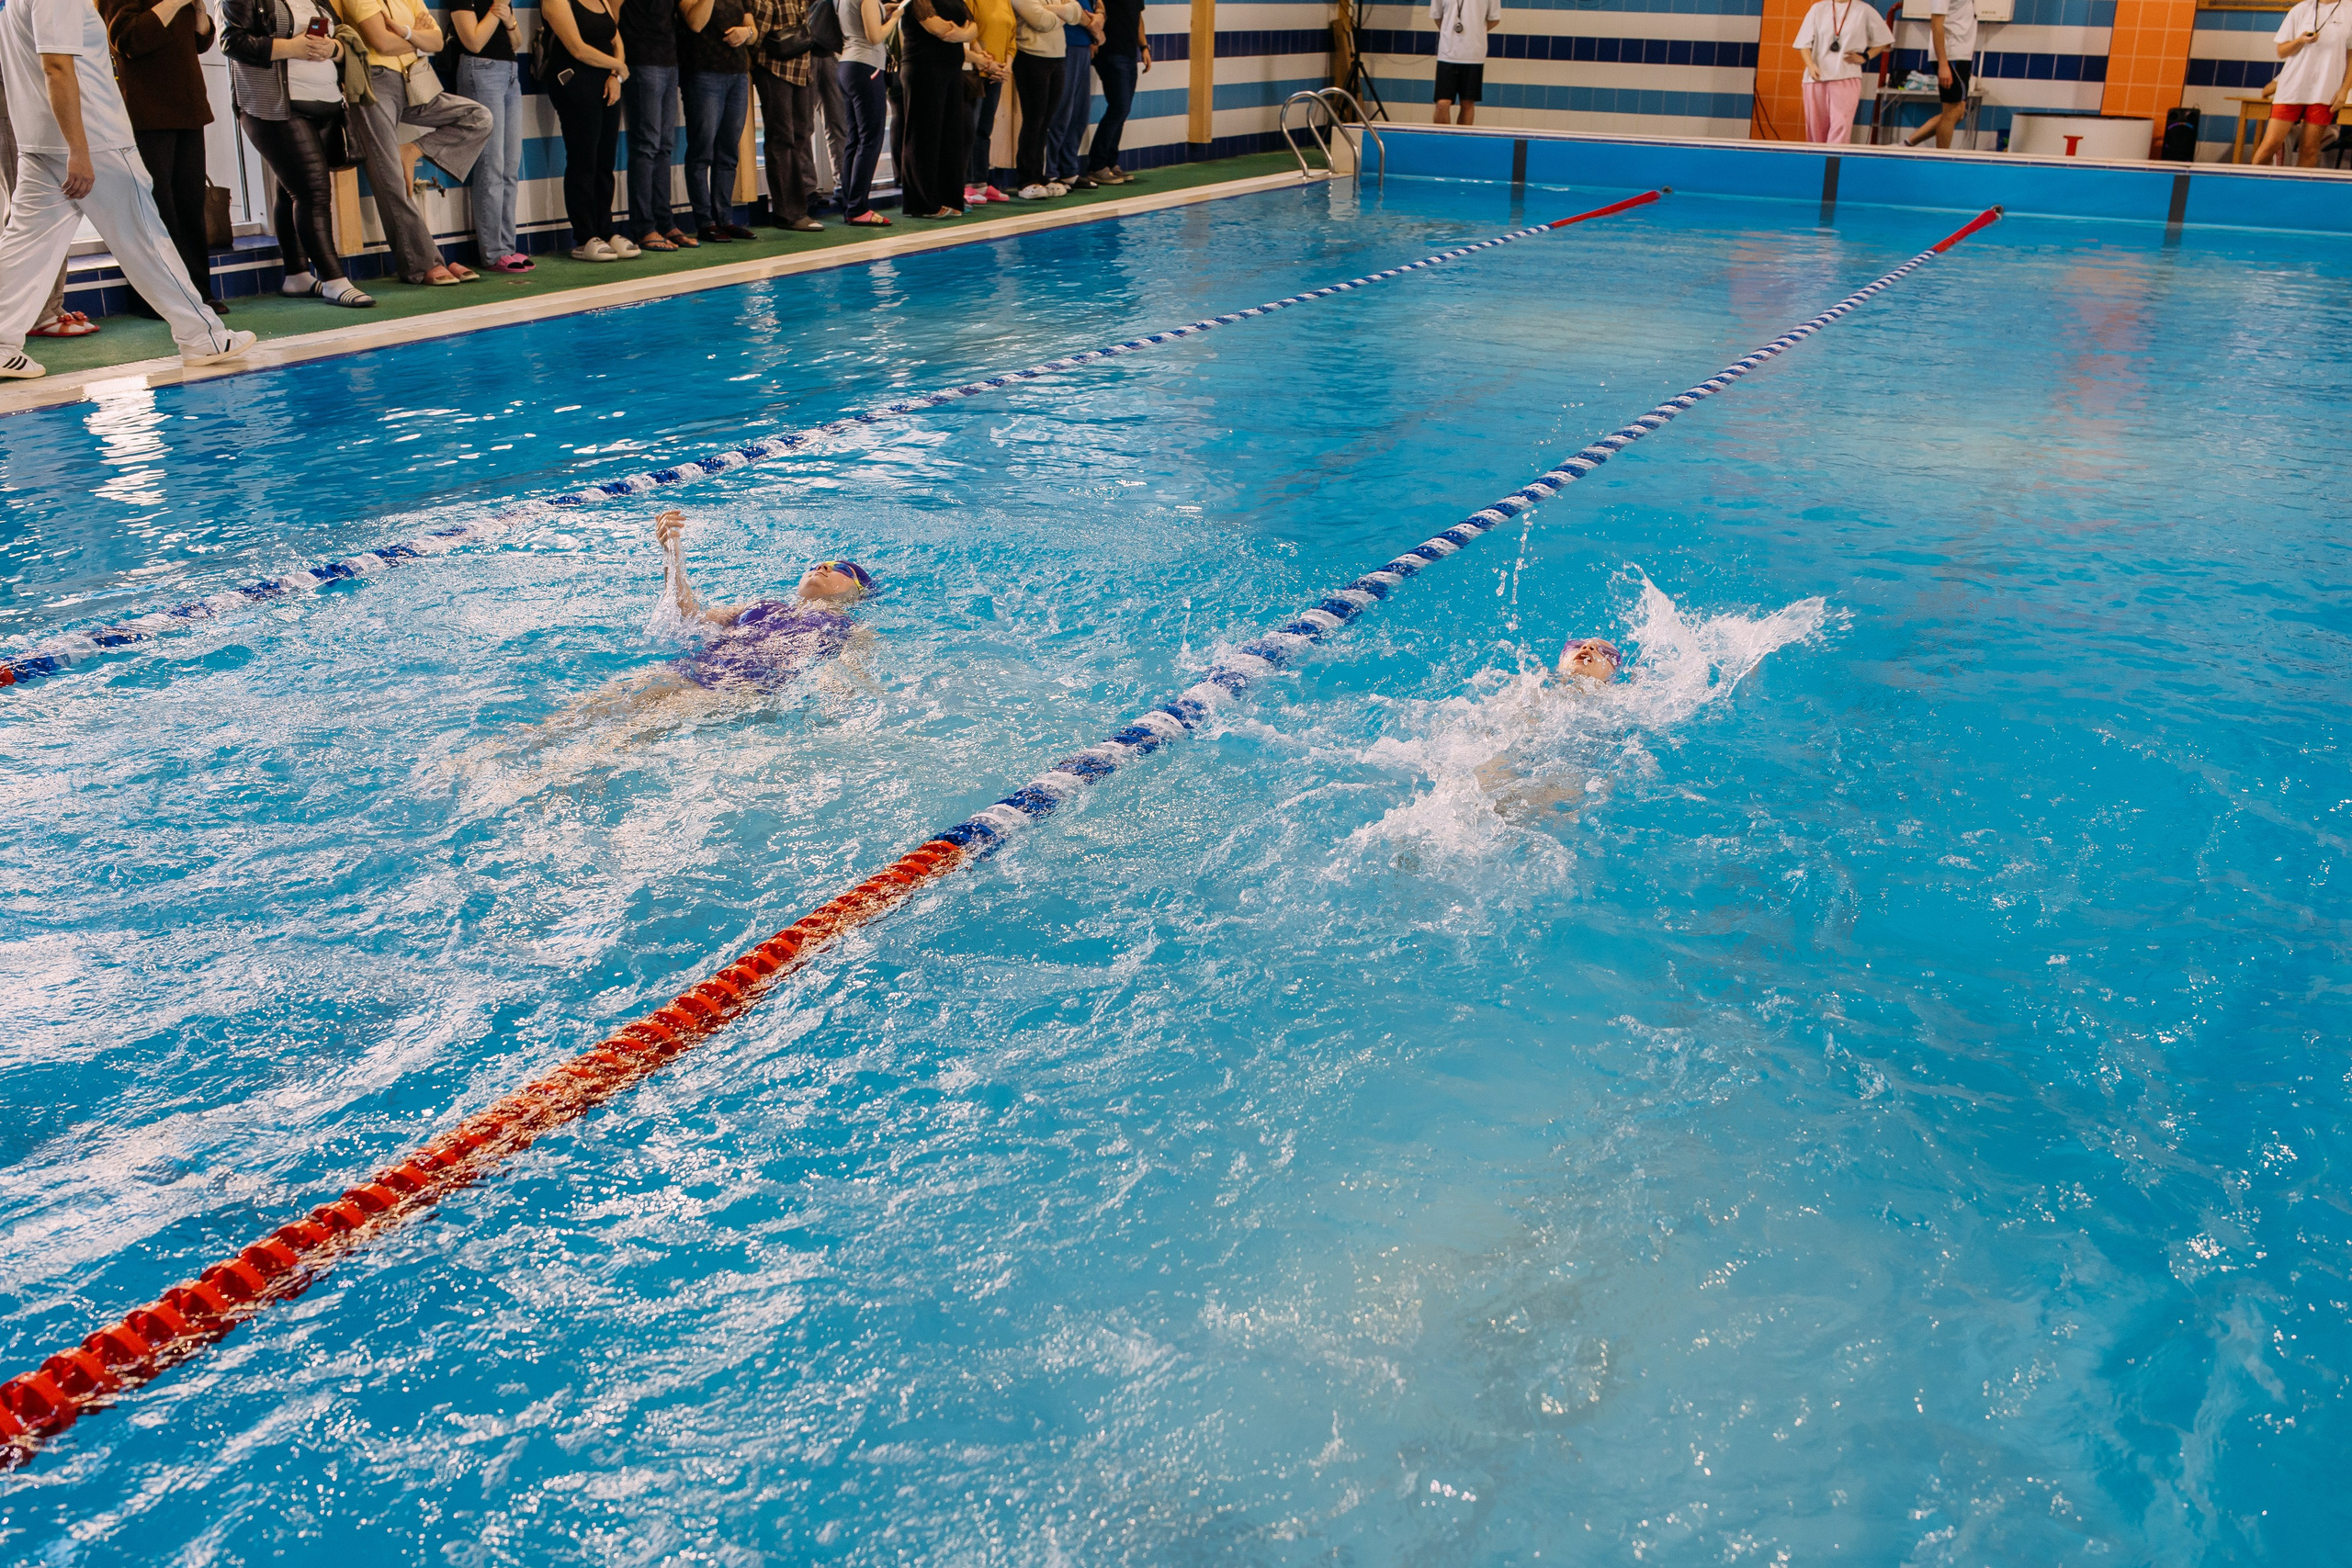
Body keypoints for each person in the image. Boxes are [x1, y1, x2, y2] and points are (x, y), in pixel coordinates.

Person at [0, 0, 254, 378]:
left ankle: (1, 343)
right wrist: (79, 149)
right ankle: (203, 337)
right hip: (94, 142)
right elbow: (56, 67)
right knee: (149, 239)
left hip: (42, 142)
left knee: (26, 246)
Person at [221, 0, 375, 306]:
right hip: (276, 107)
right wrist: (292, 48)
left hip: (325, 104)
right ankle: (334, 279)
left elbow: (339, 40)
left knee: (289, 189)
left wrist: (333, 50)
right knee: (313, 191)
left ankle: (297, 275)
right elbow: (232, 42)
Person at [335, 0, 492, 284]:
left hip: (415, 78)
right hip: (374, 80)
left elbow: (437, 41)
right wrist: (416, 38)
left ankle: (412, 150)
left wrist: (406, 36)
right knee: (390, 178)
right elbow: (381, 42)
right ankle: (422, 264)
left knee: (478, 117)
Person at [100, 0, 225, 314]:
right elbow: (128, 40)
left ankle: (198, 291)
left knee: (190, 205)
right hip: (146, 112)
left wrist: (198, 12)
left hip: (189, 107)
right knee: (157, 209)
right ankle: (159, 297)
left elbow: (199, 41)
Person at [0, 68, 93, 338]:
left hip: (34, 98)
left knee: (51, 206)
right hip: (12, 100)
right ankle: (31, 312)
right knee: (27, 210)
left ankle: (49, 306)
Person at [542, 0, 637, 259]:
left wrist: (615, 76)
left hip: (607, 83)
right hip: (574, 82)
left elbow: (617, 40)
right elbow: (578, 48)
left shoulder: (602, 0)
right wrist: (619, 67)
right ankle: (585, 236)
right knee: (583, 160)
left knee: (605, 162)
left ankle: (605, 229)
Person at [447, 0, 529, 270]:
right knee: (491, 165)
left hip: (510, 73)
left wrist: (509, 20)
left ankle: (508, 246)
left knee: (510, 167)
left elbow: (516, 41)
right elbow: (473, 41)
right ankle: (493, 252)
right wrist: (497, 10)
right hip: (480, 71)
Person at [678, 0, 757, 243]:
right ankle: (705, 221)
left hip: (737, 72)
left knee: (728, 151)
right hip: (703, 72)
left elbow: (752, 31)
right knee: (702, 150)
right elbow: (695, 23)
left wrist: (747, 33)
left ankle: (725, 218)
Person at [749, 0, 825, 231]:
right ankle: (788, 212)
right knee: (782, 139)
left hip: (801, 67)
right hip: (774, 67)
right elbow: (756, 36)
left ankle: (801, 204)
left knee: (801, 134)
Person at [619, 0, 690, 248]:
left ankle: (664, 222)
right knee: (646, 147)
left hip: (668, 61)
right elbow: (614, 17)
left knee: (664, 147)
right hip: (641, 60)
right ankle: (644, 227)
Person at [2250, 0, 2352, 168]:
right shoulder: (2300, 9)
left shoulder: (2349, 10)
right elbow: (2281, 51)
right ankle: (2251, 188)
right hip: (2291, 88)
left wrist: (2344, 90)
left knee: (2310, 150)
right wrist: (2300, 41)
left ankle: (2297, 193)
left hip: (2325, 91)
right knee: (2270, 145)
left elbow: (2350, 57)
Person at [898, 0, 974, 217]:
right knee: (924, 137)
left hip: (951, 70)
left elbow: (975, 27)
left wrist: (959, 35)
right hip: (923, 68)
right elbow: (936, 28)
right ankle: (923, 203)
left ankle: (949, 197)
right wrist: (962, 32)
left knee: (951, 136)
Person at [1006, 0, 1080, 197]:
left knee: (1045, 122)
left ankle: (1039, 175)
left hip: (1057, 57)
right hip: (1031, 57)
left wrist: (1055, 11)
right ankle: (1026, 179)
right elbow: (1041, 21)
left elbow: (1077, 13)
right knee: (1034, 120)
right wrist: (1063, 14)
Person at [833, 0, 898, 225]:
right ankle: (858, 207)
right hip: (866, 66)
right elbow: (874, 36)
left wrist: (884, 11)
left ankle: (850, 203)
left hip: (847, 65)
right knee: (870, 139)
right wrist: (895, 18)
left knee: (855, 139)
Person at [1792, 0, 1890, 146]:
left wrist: (1865, 57)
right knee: (1816, 131)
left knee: (1841, 126)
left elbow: (1885, 39)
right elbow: (1803, 43)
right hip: (1816, 78)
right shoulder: (1818, 9)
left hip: (1847, 76)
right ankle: (1817, 165)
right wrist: (1811, 66)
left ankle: (1834, 165)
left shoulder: (1864, 10)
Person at [1081, 0, 1140, 185]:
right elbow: (1092, 11)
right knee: (1119, 108)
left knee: (1123, 110)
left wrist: (1144, 46)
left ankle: (1109, 161)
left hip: (1129, 53)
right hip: (1110, 53)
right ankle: (1097, 165)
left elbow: (1138, 18)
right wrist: (1094, 39)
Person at [1901, 0, 1974, 149]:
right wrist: (1943, 64)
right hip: (1951, 55)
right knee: (1951, 113)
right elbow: (1936, 24)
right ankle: (1941, 157)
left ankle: (1905, 145)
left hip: (1960, 55)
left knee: (1958, 113)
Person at [960, 0, 1011, 203]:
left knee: (984, 129)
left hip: (997, 72)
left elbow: (1012, 36)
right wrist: (985, 62)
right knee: (969, 128)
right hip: (975, 70)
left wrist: (1006, 66)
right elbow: (970, 29)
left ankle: (980, 181)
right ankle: (966, 183)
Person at [1046, 0, 1098, 190]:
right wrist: (1093, 25)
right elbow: (1070, 11)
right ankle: (1050, 171)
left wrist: (1099, 18)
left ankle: (1068, 169)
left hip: (1083, 44)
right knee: (1061, 111)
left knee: (1079, 113)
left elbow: (1096, 6)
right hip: (1064, 44)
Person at [1430, 0, 1498, 126]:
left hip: (1473, 54)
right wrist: (1450, 32)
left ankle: (1462, 142)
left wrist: (1475, 32)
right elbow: (1438, 17)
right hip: (1447, 54)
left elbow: (1494, 19)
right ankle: (1442, 142)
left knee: (1467, 103)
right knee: (1442, 104)